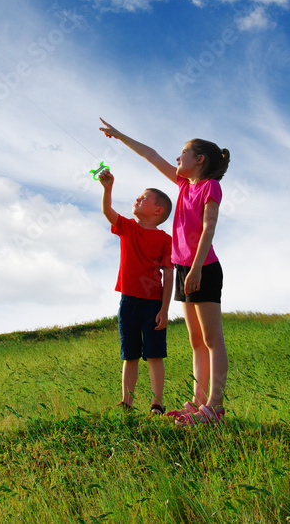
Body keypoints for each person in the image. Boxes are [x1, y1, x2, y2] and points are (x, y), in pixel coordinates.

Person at [99, 118, 230, 426]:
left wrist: (196, 268)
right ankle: (199, 402)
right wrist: (118, 135)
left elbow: (209, 227)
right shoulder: (184, 184)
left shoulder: (210, 186)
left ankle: (215, 406)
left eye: (183, 153)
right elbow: (151, 154)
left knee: (213, 339)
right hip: (185, 268)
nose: (176, 159)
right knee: (196, 340)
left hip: (203, 268)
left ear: (199, 160)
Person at [98, 167, 174, 415]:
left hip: (153, 304)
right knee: (129, 355)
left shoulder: (165, 240)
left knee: (154, 355)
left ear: (157, 210)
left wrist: (164, 309)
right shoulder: (127, 227)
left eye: (144, 197)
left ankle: (157, 404)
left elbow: (169, 274)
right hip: (128, 302)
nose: (138, 198)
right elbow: (108, 212)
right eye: (138, 196)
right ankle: (127, 403)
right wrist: (108, 189)